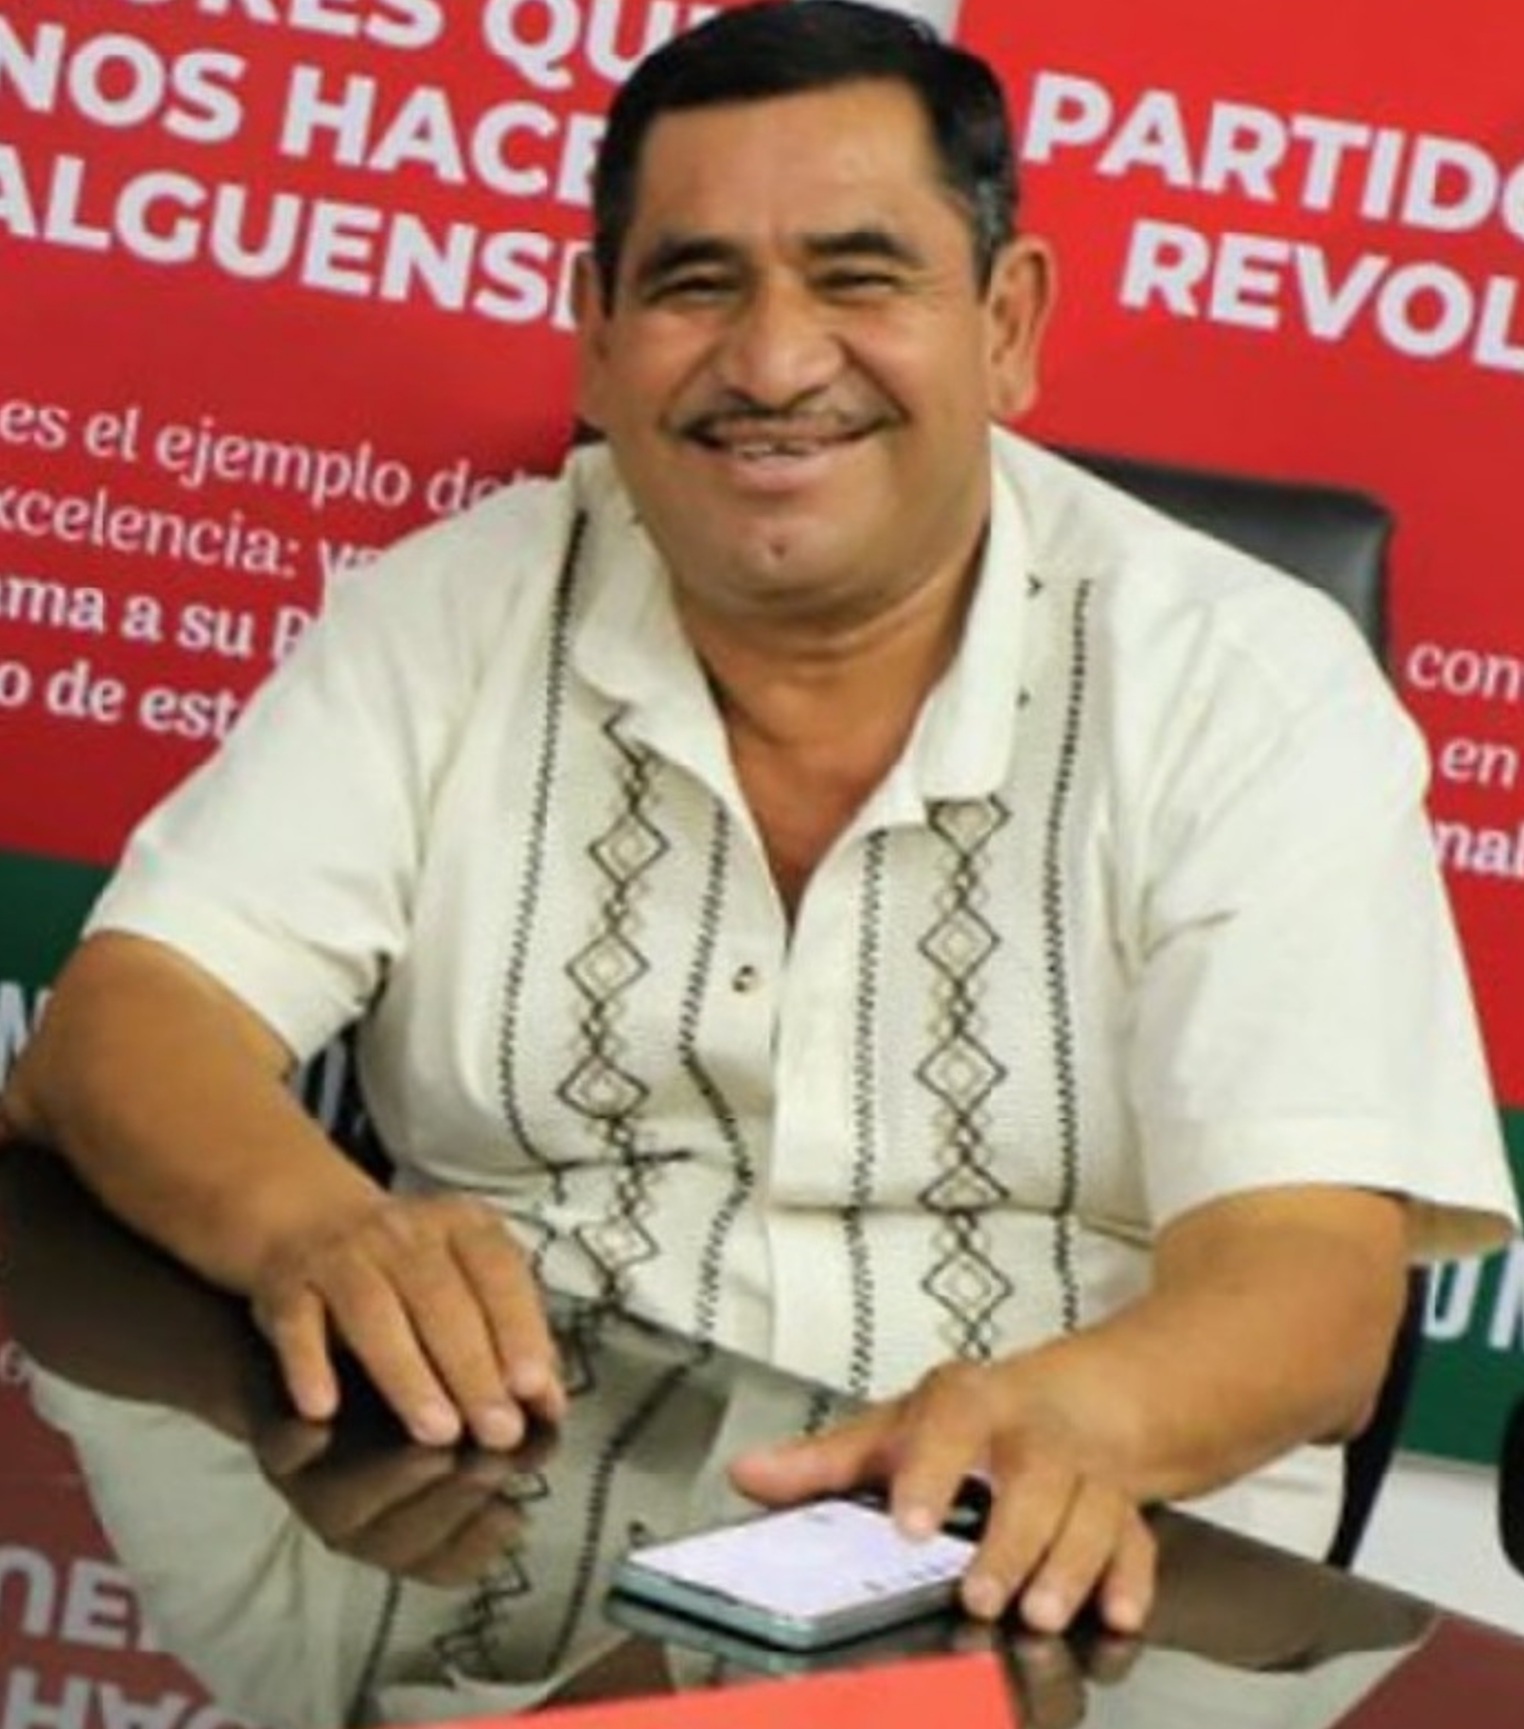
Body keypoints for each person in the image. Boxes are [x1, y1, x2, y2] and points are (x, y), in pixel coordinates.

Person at [3, 0, 1516, 1639]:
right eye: (696, 283)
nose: (776, 363)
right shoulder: (450, 611)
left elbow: (1312, 1289)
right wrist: (322, 1229)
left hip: (1053, 1592)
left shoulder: (1244, 679)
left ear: (1006, 321)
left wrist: (1077, 1418)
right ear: (597, 335)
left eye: (860, 279)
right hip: (501, 1567)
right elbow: (125, 1026)